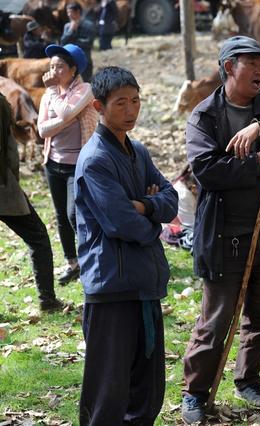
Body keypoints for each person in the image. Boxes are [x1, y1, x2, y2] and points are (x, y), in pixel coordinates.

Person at [180, 35, 260, 424]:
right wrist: (258, 160)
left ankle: (247, 378)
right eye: (250, 62)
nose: (259, 70)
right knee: (216, 320)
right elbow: (207, 171)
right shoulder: (204, 116)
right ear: (228, 68)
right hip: (224, 237)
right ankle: (195, 393)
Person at [75, 66, 178, 425]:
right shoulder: (95, 160)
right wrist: (153, 220)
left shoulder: (140, 153)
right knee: (108, 394)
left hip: (144, 284)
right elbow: (121, 223)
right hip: (112, 289)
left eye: (135, 101)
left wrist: (147, 206)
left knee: (147, 392)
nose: (131, 110)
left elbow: (172, 198)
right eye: (120, 103)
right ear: (98, 107)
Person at [38, 43, 98, 285]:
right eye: (51, 66)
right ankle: (72, 263)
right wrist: (62, 119)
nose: (53, 72)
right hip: (53, 163)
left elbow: (64, 114)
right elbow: (42, 130)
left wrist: (56, 103)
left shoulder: (86, 89)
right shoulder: (48, 94)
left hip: (77, 164)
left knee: (76, 215)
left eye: (59, 67)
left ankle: (90, 258)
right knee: (61, 216)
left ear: (73, 69)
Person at [0, 93, 64, 312]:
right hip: (3, 187)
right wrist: (12, 183)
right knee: (38, 237)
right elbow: (7, 151)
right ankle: (48, 301)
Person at [60, 3, 96, 82]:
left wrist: (72, 43)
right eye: (67, 12)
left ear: (78, 12)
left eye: (71, 12)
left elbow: (88, 42)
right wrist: (71, 31)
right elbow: (63, 42)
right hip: (70, 62)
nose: (69, 15)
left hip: (85, 59)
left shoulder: (89, 25)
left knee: (87, 84)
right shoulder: (67, 26)